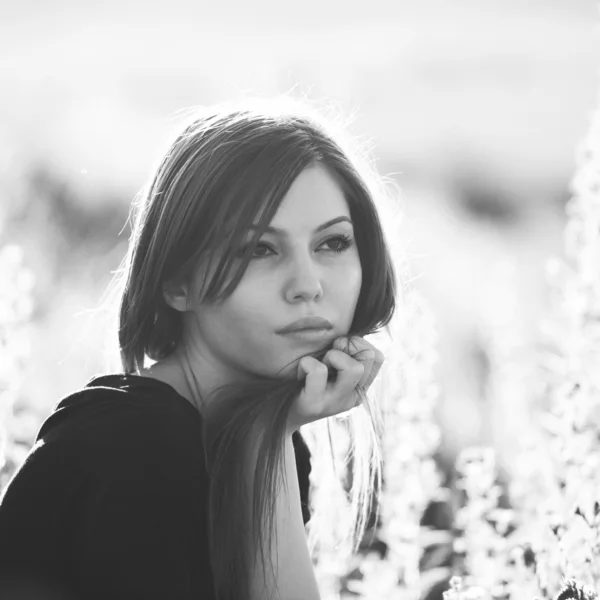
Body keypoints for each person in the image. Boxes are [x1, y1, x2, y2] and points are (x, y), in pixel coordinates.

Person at [0, 98, 398, 599]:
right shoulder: (134, 446)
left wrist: (270, 438)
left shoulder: (259, 442)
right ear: (177, 283)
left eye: (332, 244)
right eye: (259, 249)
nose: (308, 285)